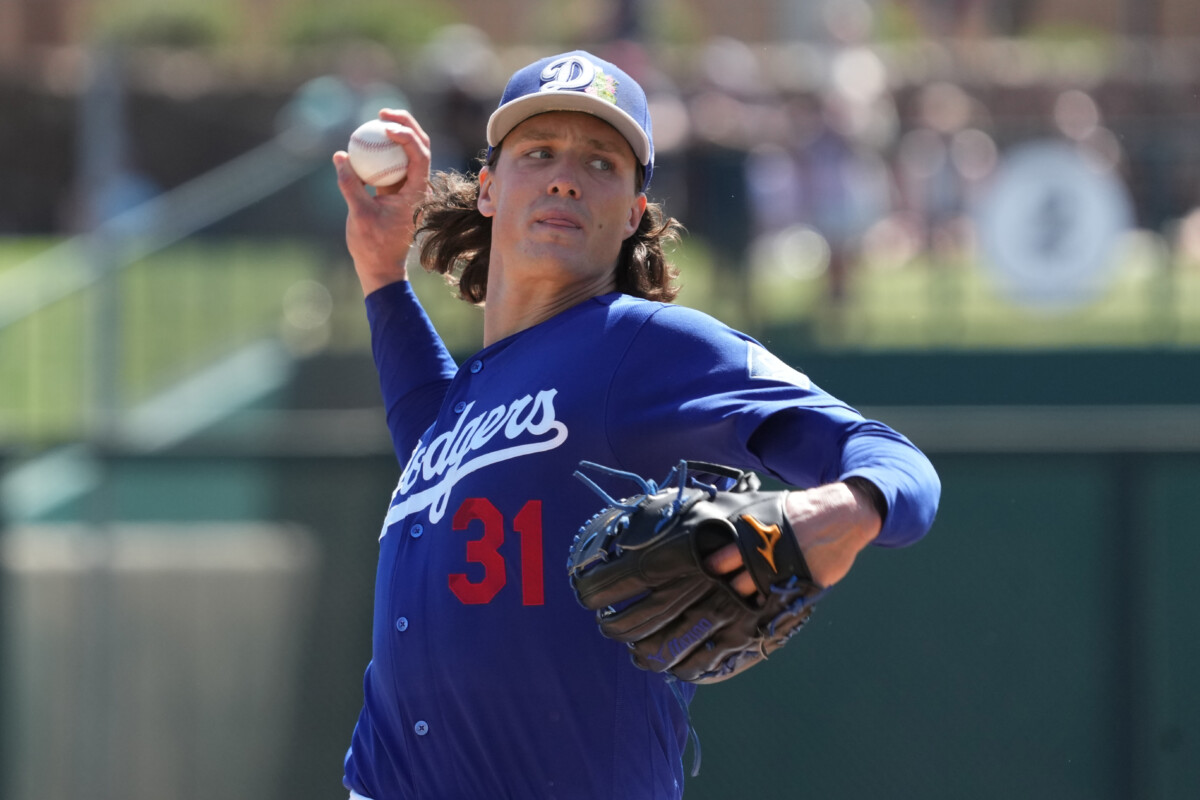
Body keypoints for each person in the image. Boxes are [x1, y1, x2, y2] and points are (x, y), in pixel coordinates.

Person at [331, 50, 940, 800]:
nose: (565, 176)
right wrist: (381, 273)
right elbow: (426, 439)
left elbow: (891, 456)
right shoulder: (466, 407)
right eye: (539, 152)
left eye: (600, 162)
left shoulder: (645, 345)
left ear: (633, 214)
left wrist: (844, 509)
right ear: (488, 188)